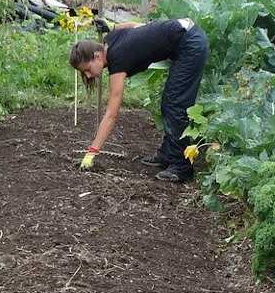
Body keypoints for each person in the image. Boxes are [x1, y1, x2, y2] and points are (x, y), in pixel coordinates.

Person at [69, 16, 209, 184]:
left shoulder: (117, 57)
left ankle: (182, 167)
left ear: (97, 56)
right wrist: (114, 25)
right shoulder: (110, 39)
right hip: (185, 33)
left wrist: (92, 151)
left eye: (87, 69)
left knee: (175, 105)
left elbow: (111, 114)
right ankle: (168, 154)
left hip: (190, 44)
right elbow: (133, 25)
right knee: (169, 103)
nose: (88, 75)